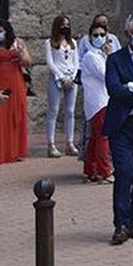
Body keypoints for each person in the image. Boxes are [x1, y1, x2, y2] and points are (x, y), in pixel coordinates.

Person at [104, 15, 133, 245]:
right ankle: (120, 222)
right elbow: (113, 88)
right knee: (124, 172)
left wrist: (131, 86)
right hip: (122, 125)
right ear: (127, 34)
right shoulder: (115, 59)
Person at [0, 19, 30, 164]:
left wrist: (21, 53)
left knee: (15, 114)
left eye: (0, 31)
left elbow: (28, 62)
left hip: (15, 81)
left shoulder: (18, 43)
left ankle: (15, 151)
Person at [79, 19, 113, 184]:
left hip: (101, 100)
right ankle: (103, 171)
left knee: (96, 137)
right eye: (95, 35)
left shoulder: (100, 56)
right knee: (103, 136)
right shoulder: (91, 57)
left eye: (102, 35)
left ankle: (90, 169)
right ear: (90, 38)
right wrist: (110, 57)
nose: (99, 38)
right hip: (99, 101)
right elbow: (106, 75)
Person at [44, 14, 80, 159]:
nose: (65, 27)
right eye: (62, 24)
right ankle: (51, 144)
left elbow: (76, 61)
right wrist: (61, 77)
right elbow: (50, 62)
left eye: (67, 24)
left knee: (70, 111)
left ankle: (69, 143)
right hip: (57, 77)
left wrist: (72, 76)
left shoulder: (73, 43)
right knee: (53, 110)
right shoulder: (49, 43)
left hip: (71, 77)